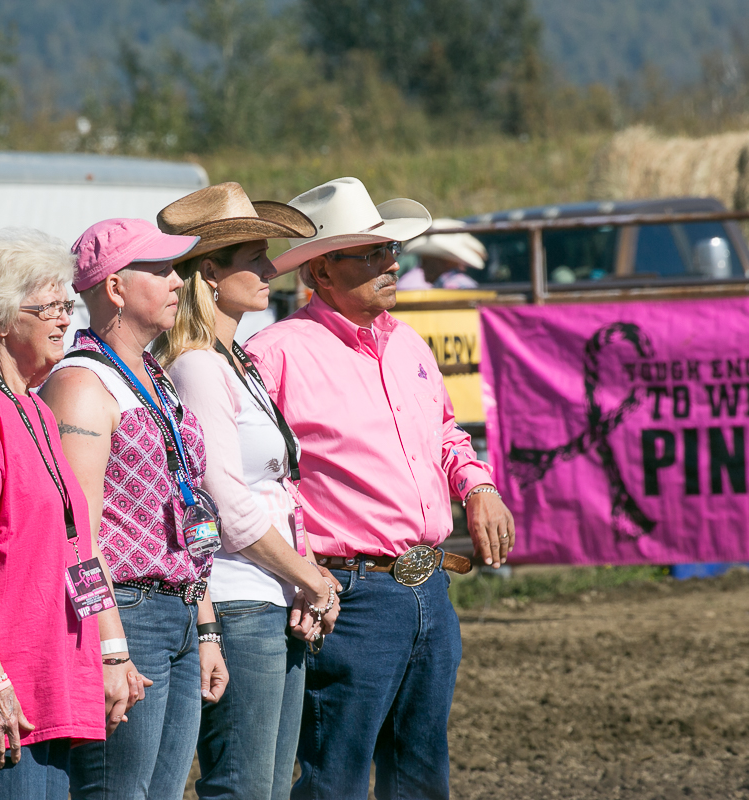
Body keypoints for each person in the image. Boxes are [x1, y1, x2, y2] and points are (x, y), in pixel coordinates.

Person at [245, 177, 517, 800]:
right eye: (368, 254)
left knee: (420, 771)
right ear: (321, 272)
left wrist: (477, 487)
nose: (390, 262)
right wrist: (300, 570)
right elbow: (257, 475)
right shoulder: (275, 354)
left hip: (428, 581)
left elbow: (446, 432)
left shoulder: (408, 344)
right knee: (337, 773)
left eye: (388, 250)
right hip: (351, 590)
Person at [0, 228, 141, 800]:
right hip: (5, 704)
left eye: (66, 305)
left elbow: (75, 546)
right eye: (48, 308)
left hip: (51, 690)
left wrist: (106, 650)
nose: (66, 319)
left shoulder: (35, 411)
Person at [152, 183, 338, 800]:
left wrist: (300, 574)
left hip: (266, 590)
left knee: (264, 788)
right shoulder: (201, 366)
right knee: (246, 788)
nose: (270, 269)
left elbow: (272, 491)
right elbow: (226, 502)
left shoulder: (234, 362)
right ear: (210, 272)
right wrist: (309, 577)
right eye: (254, 258)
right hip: (239, 597)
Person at [38, 218, 229, 800]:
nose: (179, 282)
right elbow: (78, 533)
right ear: (116, 289)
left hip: (171, 611)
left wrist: (204, 626)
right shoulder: (81, 384)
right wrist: (109, 645)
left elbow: (184, 515)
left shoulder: (155, 378)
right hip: (126, 612)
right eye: (161, 270)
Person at [394, 218, 486, 290]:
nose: (422, 267)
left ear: (445, 262)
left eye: (426, 261)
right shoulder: (461, 284)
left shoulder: (454, 286)